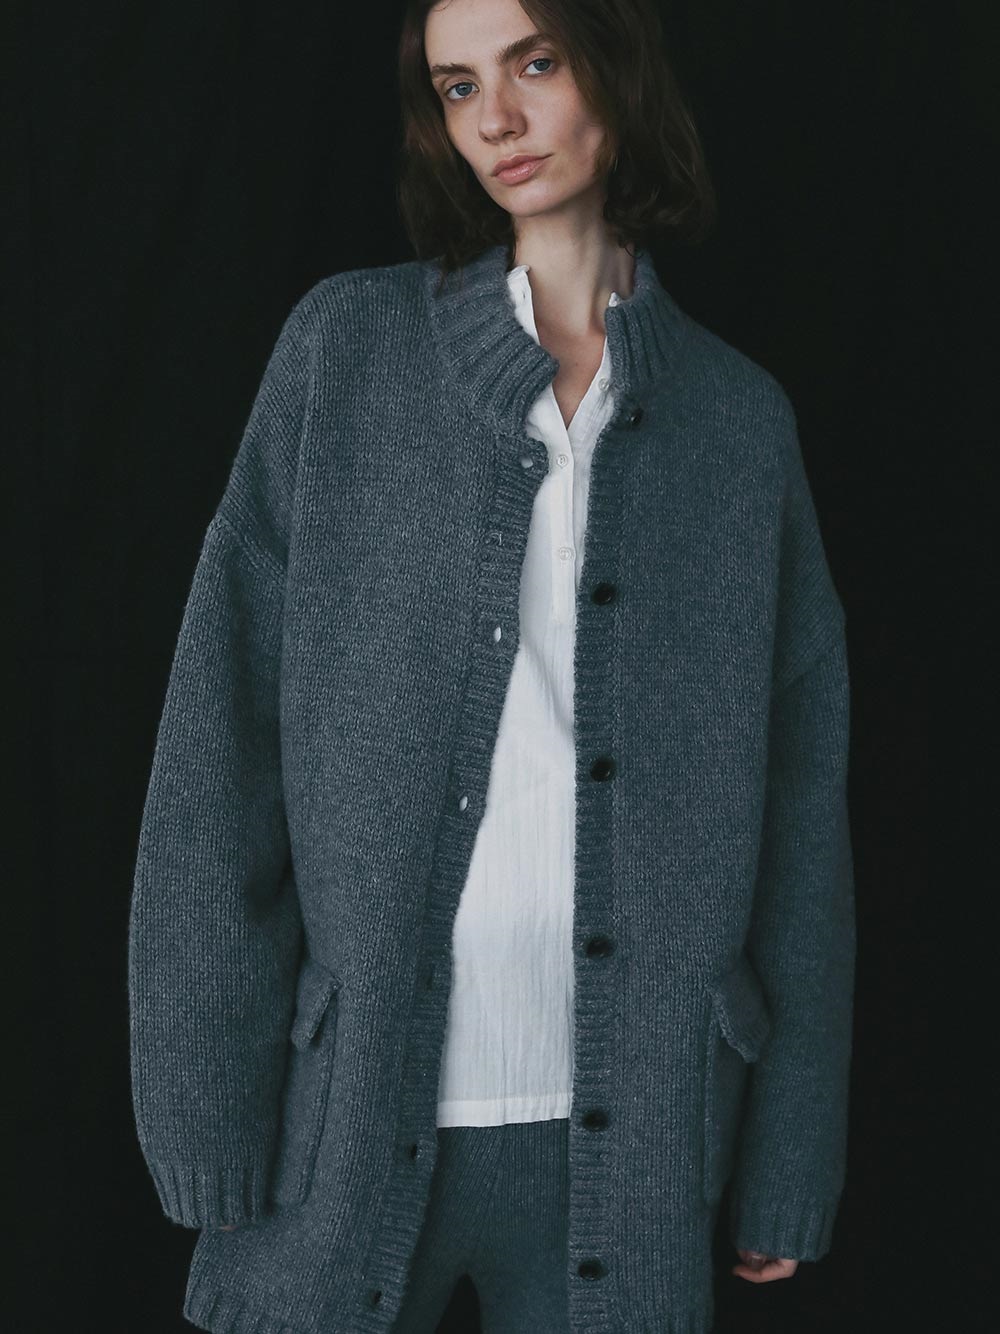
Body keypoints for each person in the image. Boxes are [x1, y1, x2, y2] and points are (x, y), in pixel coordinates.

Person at [127, 0, 855, 1330]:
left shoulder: (739, 423)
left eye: (535, 63)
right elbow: (216, 745)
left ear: (615, 68)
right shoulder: (347, 354)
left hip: (640, 1137)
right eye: (459, 87)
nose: (499, 120)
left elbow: (804, 816)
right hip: (344, 1114)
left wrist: (789, 1160)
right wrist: (201, 1106)